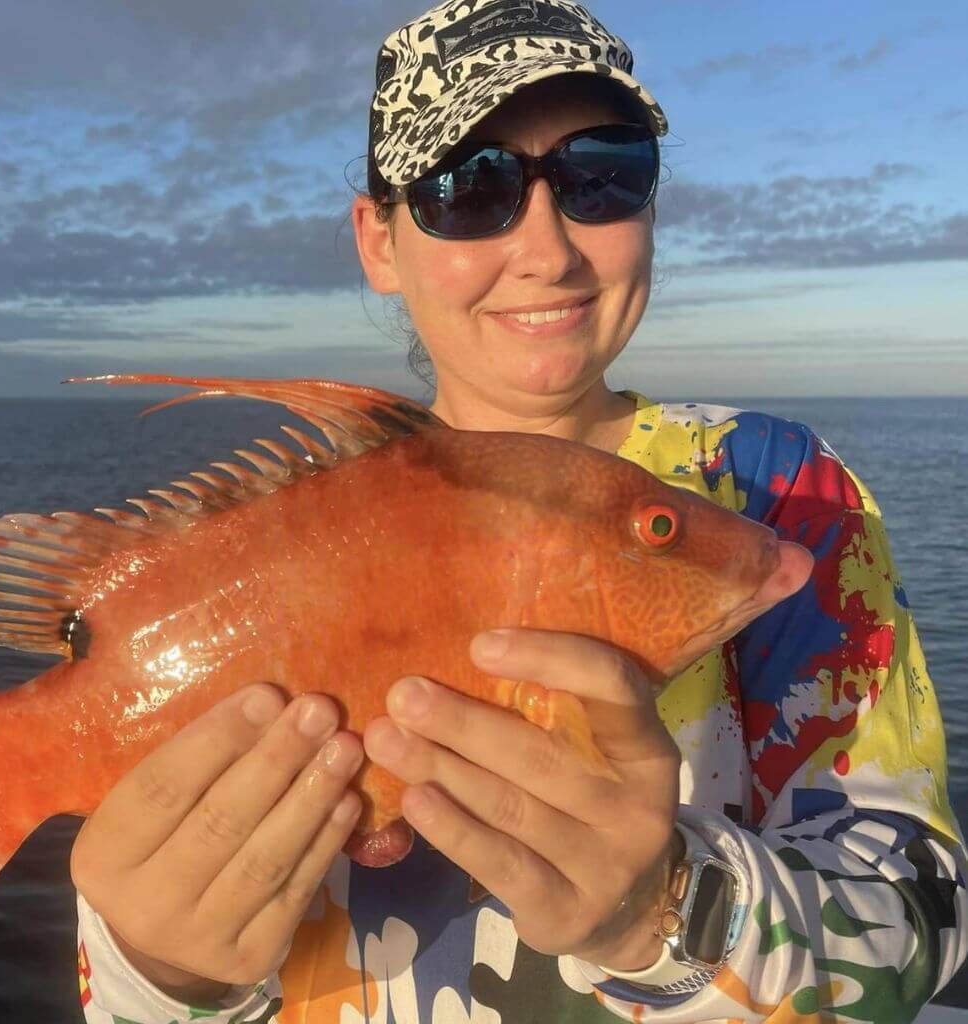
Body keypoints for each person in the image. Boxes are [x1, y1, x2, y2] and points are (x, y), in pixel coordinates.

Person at [70, 1, 968, 1020]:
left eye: (603, 174)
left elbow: (920, 928)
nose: (548, 249)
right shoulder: (252, 551)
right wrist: (164, 974)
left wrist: (666, 911)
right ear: (378, 238)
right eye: (469, 188)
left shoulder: (779, 488)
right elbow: (126, 990)